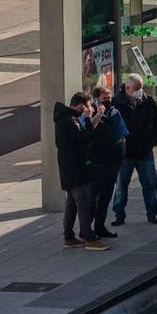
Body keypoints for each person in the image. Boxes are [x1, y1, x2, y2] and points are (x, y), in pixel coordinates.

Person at [53, 92, 109, 250]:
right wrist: (90, 118)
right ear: (82, 106)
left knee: (71, 205)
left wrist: (94, 118)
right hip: (77, 170)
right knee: (83, 205)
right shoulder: (69, 120)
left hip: (69, 169)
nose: (90, 108)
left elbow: (81, 135)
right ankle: (89, 238)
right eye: (89, 105)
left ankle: (69, 236)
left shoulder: (65, 118)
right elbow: (85, 137)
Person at [112, 74, 157, 225]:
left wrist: (153, 141)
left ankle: (152, 213)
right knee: (121, 186)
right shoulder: (117, 103)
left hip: (145, 151)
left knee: (151, 184)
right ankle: (118, 214)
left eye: (141, 88)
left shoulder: (148, 101)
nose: (140, 91)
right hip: (125, 154)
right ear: (127, 88)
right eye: (136, 88)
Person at [87, 85, 128, 238]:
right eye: (105, 96)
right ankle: (86, 230)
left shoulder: (116, 113)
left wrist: (122, 153)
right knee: (92, 200)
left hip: (113, 163)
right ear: (97, 99)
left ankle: (99, 227)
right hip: (97, 163)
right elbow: (87, 130)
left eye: (109, 96)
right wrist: (97, 115)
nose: (108, 98)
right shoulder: (90, 113)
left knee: (105, 198)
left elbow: (124, 134)